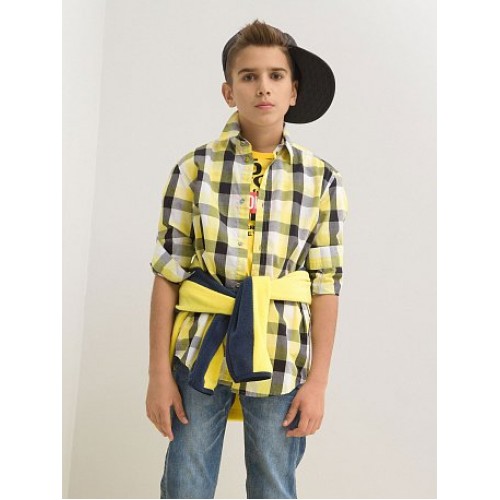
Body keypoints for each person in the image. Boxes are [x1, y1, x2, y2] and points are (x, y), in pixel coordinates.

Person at [146, 19, 349, 499]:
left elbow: (326, 282)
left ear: (294, 91)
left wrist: (318, 382)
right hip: (199, 350)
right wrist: (158, 376)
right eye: (249, 76)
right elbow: (168, 273)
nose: (263, 87)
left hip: (282, 352)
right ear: (228, 90)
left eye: (276, 76)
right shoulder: (194, 168)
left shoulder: (320, 178)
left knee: (274, 483)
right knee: (186, 481)